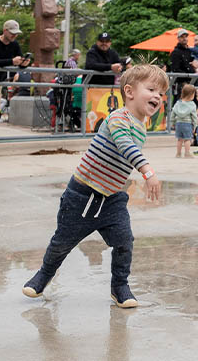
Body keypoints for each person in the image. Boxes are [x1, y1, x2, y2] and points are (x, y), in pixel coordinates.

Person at [22, 64, 167, 309]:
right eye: (151, 89)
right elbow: (125, 146)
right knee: (62, 243)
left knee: (124, 242)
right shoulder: (117, 118)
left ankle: (120, 287)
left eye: (161, 94)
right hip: (82, 194)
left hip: (113, 198)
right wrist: (147, 171)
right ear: (129, 92)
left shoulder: (142, 126)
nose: (157, 97)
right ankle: (44, 275)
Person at [0, 20, 26, 121]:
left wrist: (24, 63)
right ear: (4, 31)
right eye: (12, 33)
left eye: (16, 34)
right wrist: (12, 61)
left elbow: (19, 59)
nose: (14, 36)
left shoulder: (15, 44)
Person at [168, 29, 198, 98]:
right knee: (181, 104)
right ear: (178, 38)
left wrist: (197, 64)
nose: (184, 38)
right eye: (182, 37)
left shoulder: (190, 50)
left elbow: (197, 63)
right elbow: (175, 69)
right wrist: (188, 76)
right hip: (182, 83)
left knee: (195, 104)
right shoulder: (175, 52)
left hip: (193, 81)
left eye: (186, 36)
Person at [171, 84, 197, 158]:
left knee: (179, 139)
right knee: (187, 139)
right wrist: (195, 125)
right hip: (187, 124)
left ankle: (178, 153)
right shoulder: (192, 105)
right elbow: (194, 116)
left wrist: (172, 122)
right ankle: (187, 153)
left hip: (178, 123)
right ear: (191, 95)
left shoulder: (178, 103)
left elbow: (173, 113)